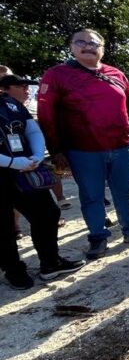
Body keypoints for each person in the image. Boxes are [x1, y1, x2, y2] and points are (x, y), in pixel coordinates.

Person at [38, 28, 129, 259]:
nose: (88, 46)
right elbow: (46, 114)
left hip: (121, 147)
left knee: (126, 193)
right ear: (71, 47)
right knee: (91, 196)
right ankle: (98, 238)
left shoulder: (116, 74)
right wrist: (56, 149)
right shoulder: (56, 75)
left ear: (101, 49)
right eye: (81, 42)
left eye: (94, 43)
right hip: (84, 150)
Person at [1, 76, 86, 289]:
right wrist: (11, 161)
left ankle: (50, 262)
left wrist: (38, 155)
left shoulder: (10, 104)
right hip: (9, 167)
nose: (25, 89)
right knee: (4, 226)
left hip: (25, 169)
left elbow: (31, 129)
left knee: (48, 213)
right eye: (20, 86)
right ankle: (13, 270)